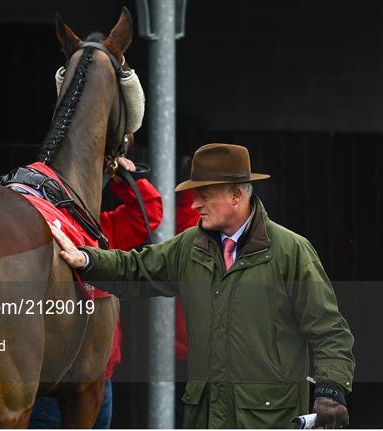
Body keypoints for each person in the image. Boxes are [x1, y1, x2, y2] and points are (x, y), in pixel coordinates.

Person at [49, 143, 355, 429]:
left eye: (204, 195)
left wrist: (331, 390)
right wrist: (87, 260)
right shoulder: (189, 247)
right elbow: (135, 269)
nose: (194, 204)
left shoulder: (292, 252)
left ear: (236, 195)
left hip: (270, 419)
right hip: (205, 419)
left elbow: (329, 330)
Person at [30, 156, 163, 429]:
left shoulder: (102, 231)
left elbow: (148, 214)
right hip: (49, 384)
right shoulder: (41, 236)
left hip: (100, 379)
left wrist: (128, 179)